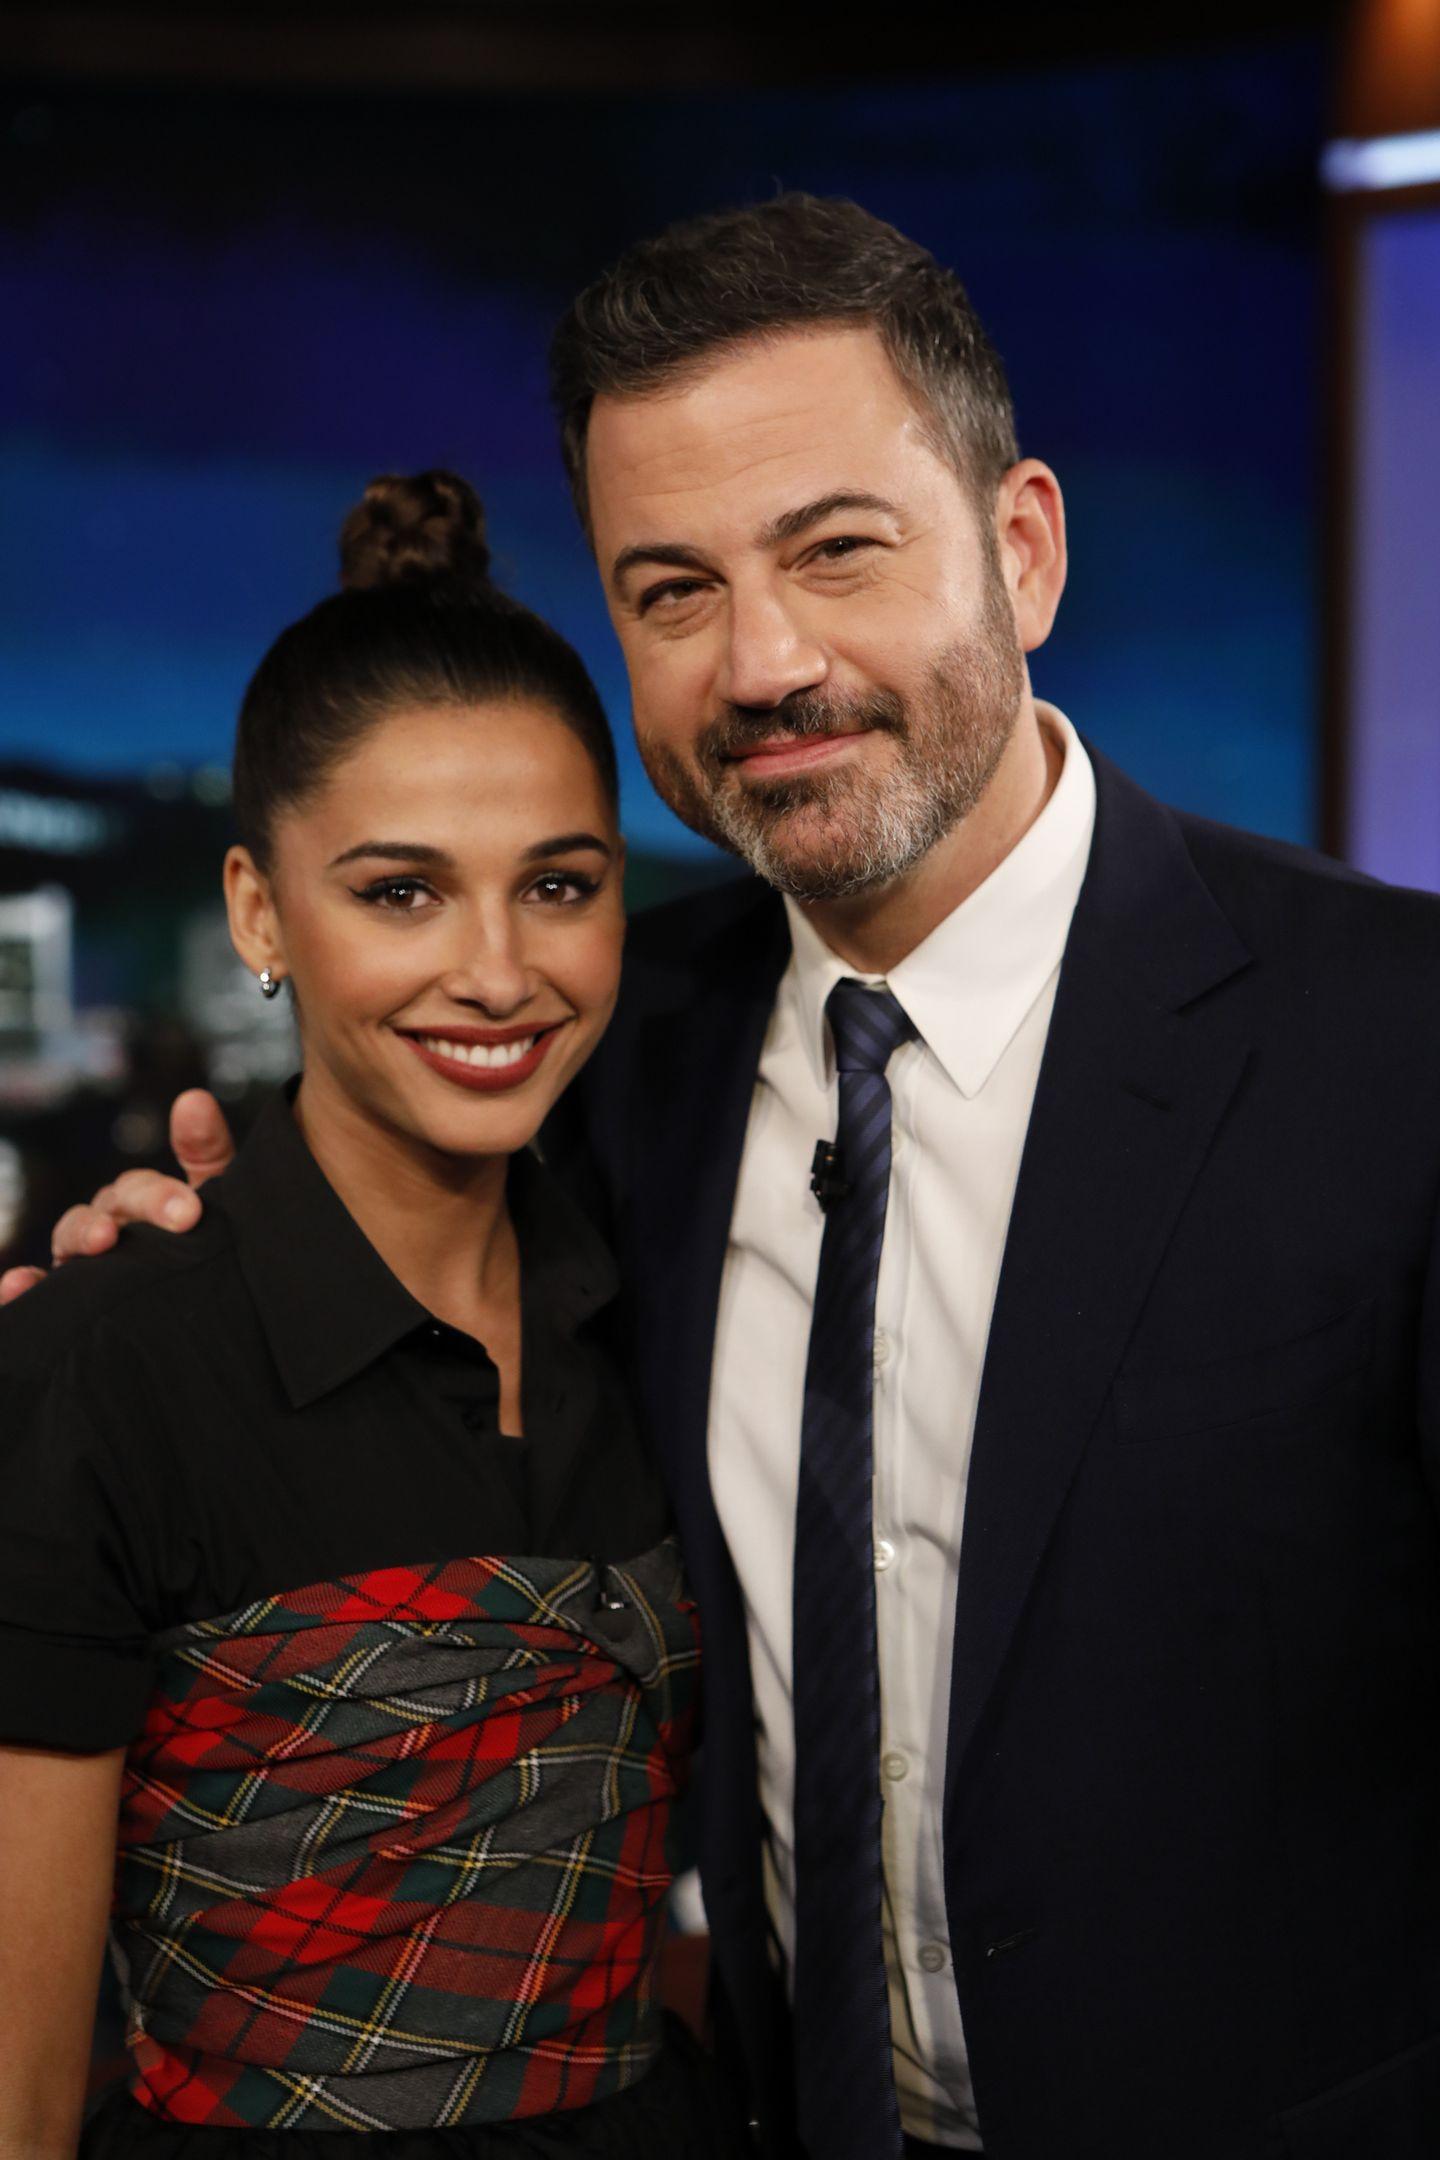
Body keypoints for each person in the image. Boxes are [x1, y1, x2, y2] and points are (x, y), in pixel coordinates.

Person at [16, 197, 1440, 2160]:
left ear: (1020, 548)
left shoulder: (1395, 1045)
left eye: (836, 550)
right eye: (673, 589)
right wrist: (148, 1279)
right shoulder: (621, 1056)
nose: (763, 661)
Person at [0, 472, 749, 2160]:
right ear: (260, 912)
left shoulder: (666, 1312)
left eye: (558, 884)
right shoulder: (95, 1369)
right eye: (400, 892)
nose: (496, 971)